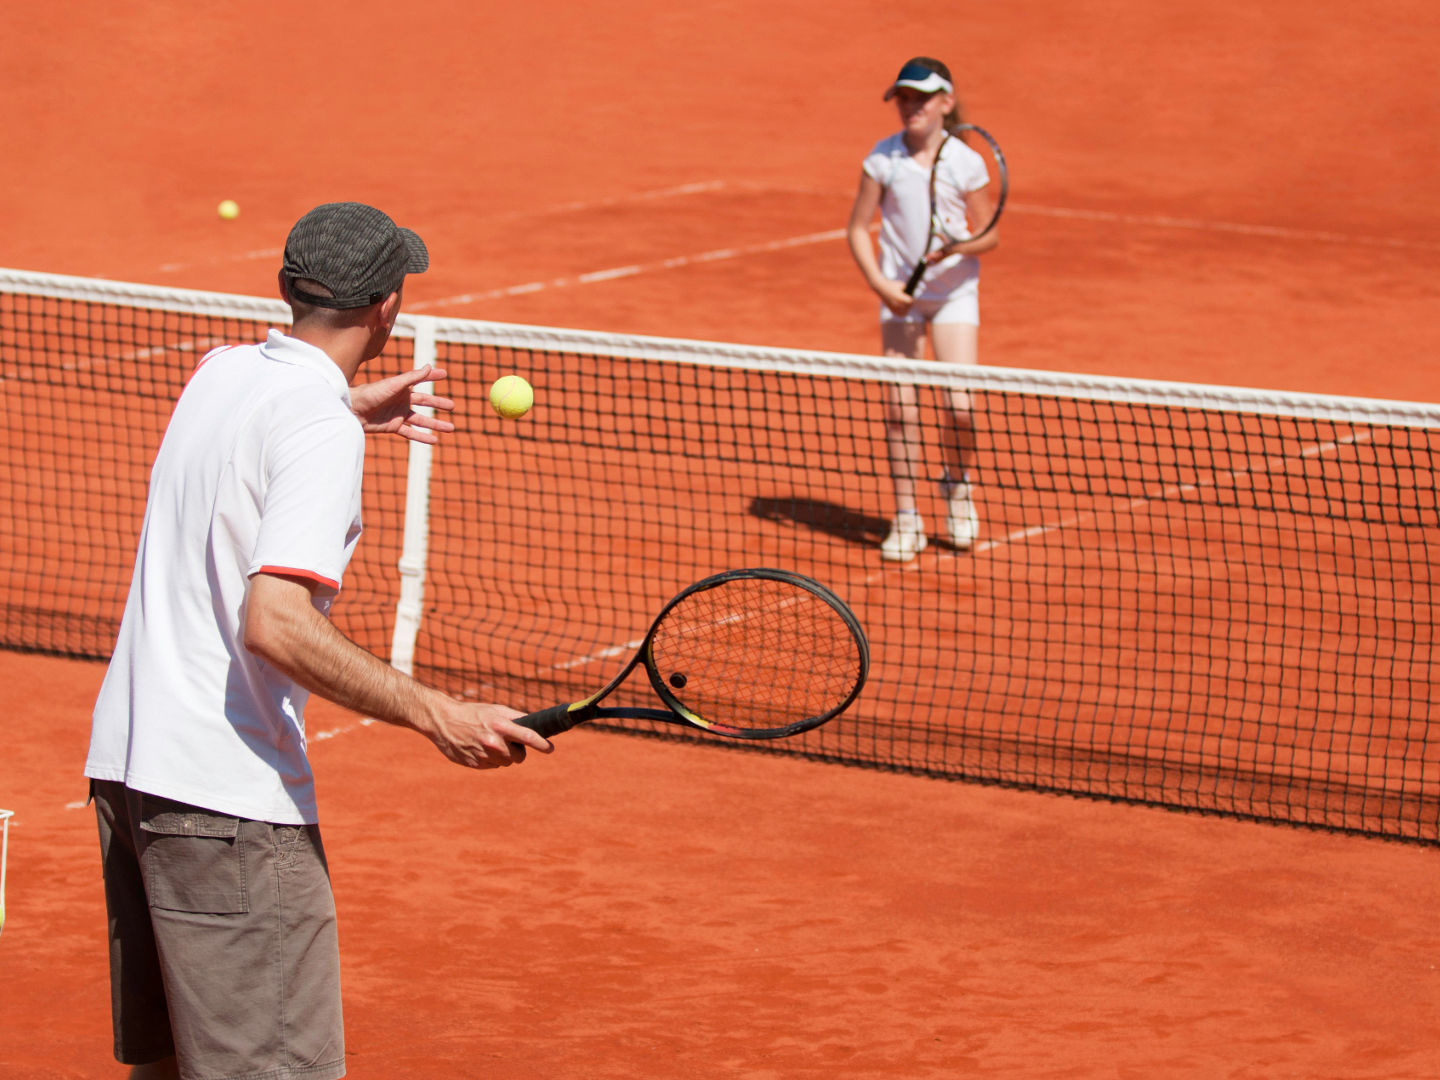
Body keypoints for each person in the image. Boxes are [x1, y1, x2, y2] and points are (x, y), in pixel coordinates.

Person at [83, 202, 553, 1080]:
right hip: (225, 807)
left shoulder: (221, 373)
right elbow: (276, 622)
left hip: (127, 775)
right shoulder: (316, 424)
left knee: (170, 1066)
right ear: (387, 309)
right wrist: (434, 711)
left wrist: (342, 408)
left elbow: (268, 420)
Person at [846, 57, 1000, 562]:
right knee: (899, 410)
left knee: (960, 405)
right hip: (900, 299)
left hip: (953, 295)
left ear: (946, 104)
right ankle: (907, 516)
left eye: (922, 98)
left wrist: (958, 245)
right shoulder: (882, 159)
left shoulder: (964, 161)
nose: (911, 106)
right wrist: (881, 284)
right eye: (904, 98)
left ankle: (957, 490)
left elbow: (988, 234)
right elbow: (857, 229)